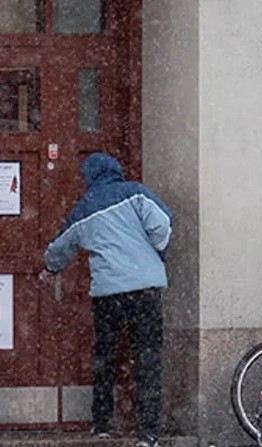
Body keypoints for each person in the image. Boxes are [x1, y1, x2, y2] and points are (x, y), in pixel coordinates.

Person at [43, 152, 172, 447]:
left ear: (89, 177)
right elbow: (162, 224)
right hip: (145, 288)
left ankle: (102, 422)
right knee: (148, 358)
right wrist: (156, 252)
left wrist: (49, 268)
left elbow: (60, 247)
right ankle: (148, 432)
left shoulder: (85, 208)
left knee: (105, 356)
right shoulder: (135, 193)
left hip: (108, 292)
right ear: (116, 170)